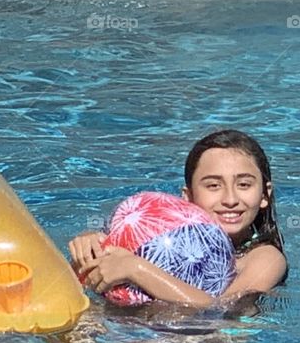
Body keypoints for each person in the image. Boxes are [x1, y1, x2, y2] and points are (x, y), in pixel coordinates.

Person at [68, 128, 287, 306]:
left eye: (244, 185)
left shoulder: (265, 258)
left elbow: (221, 312)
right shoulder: (163, 237)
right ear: (188, 197)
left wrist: (135, 269)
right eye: (213, 185)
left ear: (265, 195)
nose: (230, 199)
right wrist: (93, 246)